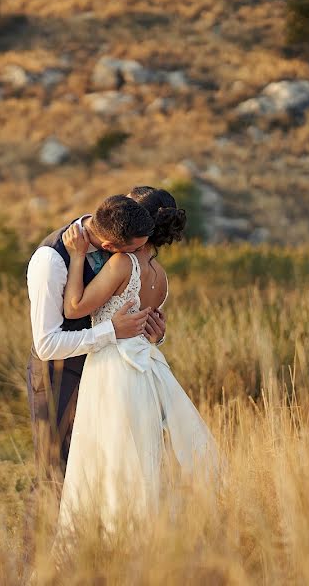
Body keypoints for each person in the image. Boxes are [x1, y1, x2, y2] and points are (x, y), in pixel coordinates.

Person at [55, 186, 219, 538]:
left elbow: (73, 308)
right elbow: (150, 329)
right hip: (147, 369)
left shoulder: (121, 263)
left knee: (109, 456)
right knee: (142, 456)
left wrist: (79, 256)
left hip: (112, 369)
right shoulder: (160, 277)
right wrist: (158, 336)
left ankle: (114, 540)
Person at [26, 195, 168, 487]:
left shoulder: (119, 231)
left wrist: (153, 332)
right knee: (57, 474)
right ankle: (42, 535)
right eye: (137, 248)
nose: (143, 254)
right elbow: (46, 345)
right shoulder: (51, 260)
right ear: (110, 247)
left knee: (100, 472)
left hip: (106, 375)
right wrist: (111, 332)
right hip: (60, 377)